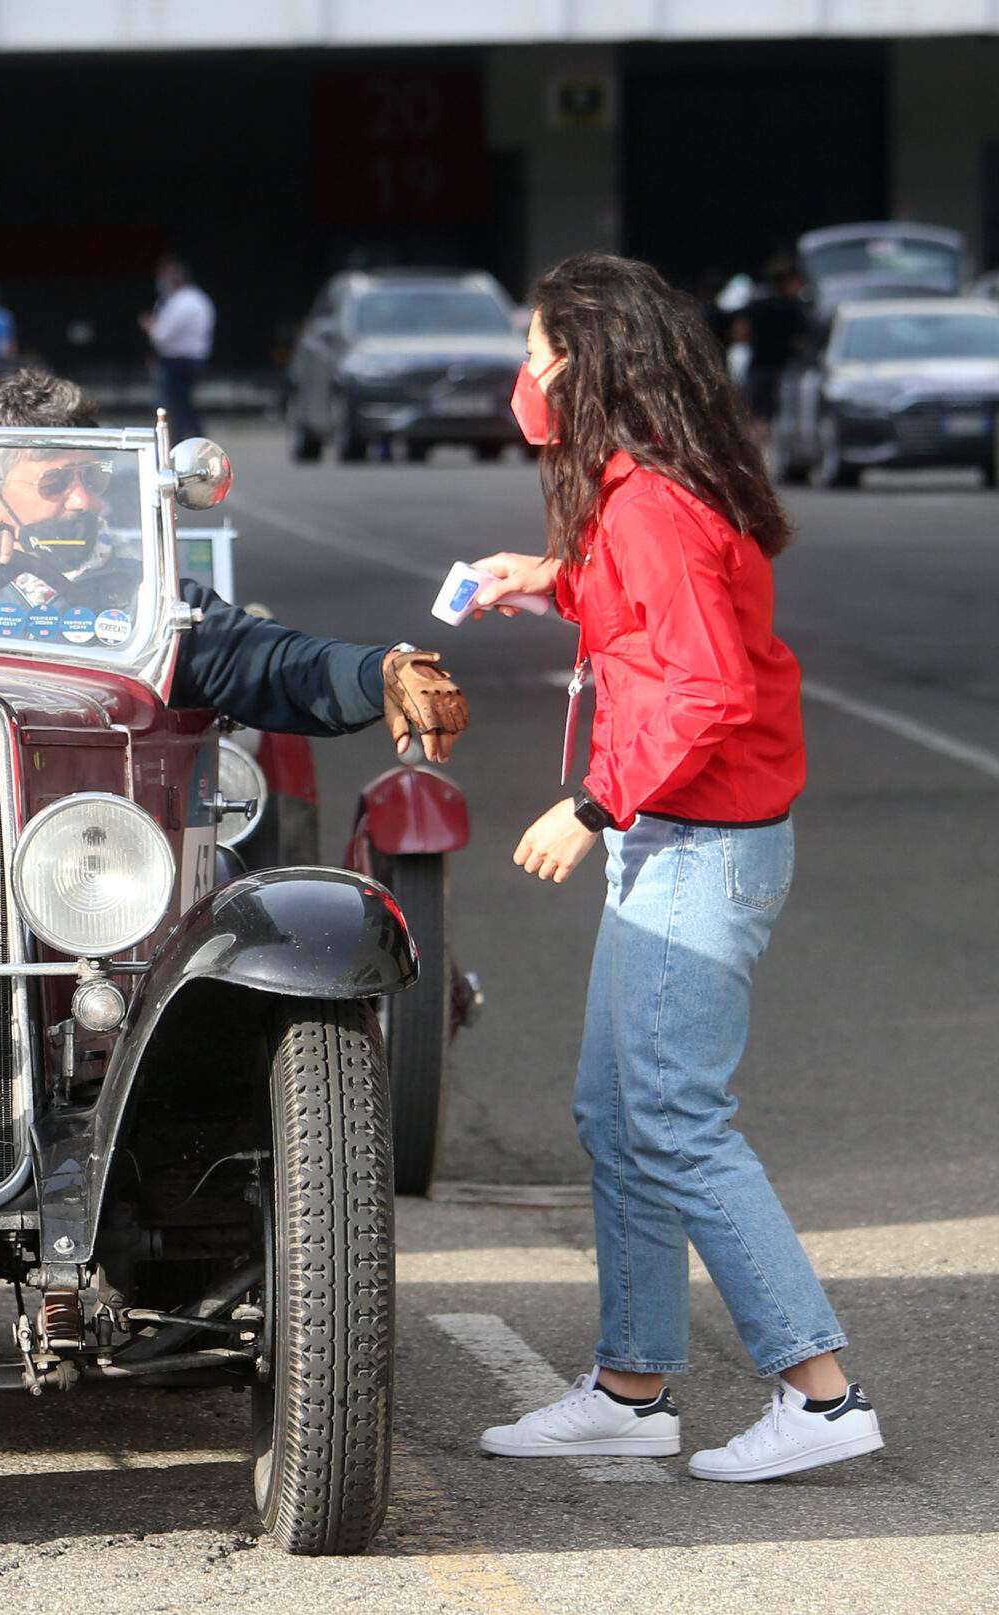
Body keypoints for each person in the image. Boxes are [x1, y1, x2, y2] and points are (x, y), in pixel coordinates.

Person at [469, 252, 880, 1483]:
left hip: (698, 843)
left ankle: (819, 1393)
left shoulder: (647, 501)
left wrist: (589, 804)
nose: (524, 376)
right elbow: (658, 622)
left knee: (678, 1120)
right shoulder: (640, 492)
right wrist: (552, 581)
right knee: (618, 1113)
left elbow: (704, 685)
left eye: (537, 351)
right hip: (678, 838)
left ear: (586, 363)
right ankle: (633, 1386)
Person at [0, 370, 467, 753]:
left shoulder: (147, 603)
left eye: (93, 477)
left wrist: (382, 671)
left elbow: (280, 666)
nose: (82, 501)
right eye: (56, 483)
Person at [732, 257, 809, 444]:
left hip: (759, 367)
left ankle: (757, 450)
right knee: (781, 417)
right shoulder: (796, 308)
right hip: (785, 371)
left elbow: (740, 333)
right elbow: (801, 342)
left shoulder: (756, 306)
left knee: (756, 417)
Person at [143, 258, 215, 441]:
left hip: (177, 361)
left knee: (175, 405)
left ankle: (182, 439)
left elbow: (161, 335)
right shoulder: (201, 299)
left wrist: (150, 326)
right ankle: (194, 436)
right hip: (197, 358)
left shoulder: (179, 302)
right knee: (186, 403)